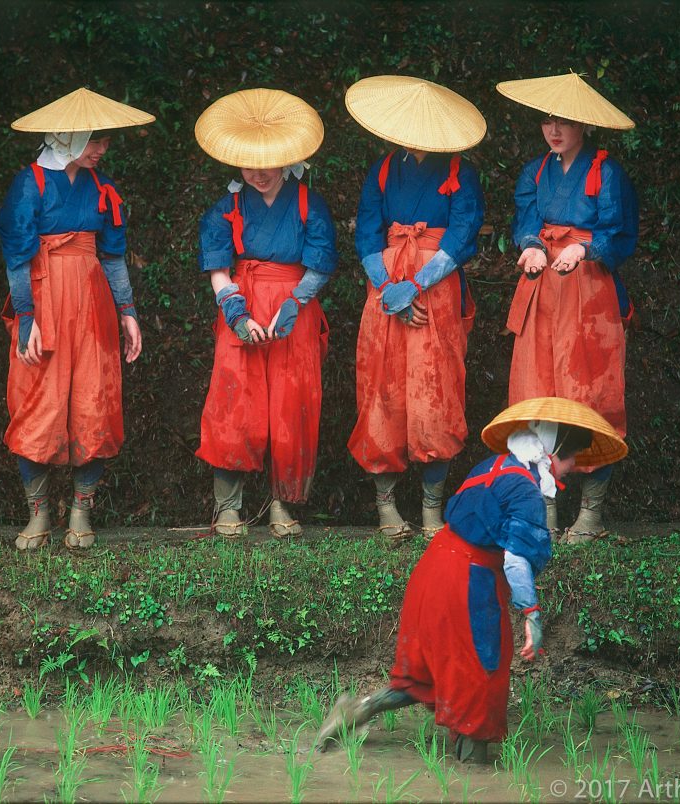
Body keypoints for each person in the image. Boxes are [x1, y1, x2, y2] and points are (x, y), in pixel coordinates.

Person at [316, 397, 627, 761]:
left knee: (433, 668)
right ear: (554, 451)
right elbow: (515, 560)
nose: (573, 468)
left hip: (432, 570)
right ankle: (473, 766)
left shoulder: (490, 466)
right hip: (466, 581)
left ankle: (358, 710)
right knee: (483, 672)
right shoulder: (526, 490)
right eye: (572, 458)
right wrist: (532, 615)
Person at [0, 88, 153, 550]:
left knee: (94, 401)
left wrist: (128, 312)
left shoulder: (102, 188)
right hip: (44, 303)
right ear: (67, 136)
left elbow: (114, 256)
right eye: (94, 140)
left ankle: (81, 513)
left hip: (92, 306)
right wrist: (26, 318)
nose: (102, 149)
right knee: (36, 405)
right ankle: (38, 517)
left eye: (104, 141)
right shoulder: (30, 184)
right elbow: (16, 259)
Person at [343, 75, 487, 546]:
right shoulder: (384, 169)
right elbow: (367, 229)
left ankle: (431, 508)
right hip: (384, 290)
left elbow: (464, 234)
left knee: (436, 392)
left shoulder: (460, 172)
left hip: (437, 291)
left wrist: (417, 285)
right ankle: (386, 506)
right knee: (381, 389)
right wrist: (389, 290)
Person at [496, 72, 639, 543]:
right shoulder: (536, 171)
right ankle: (545, 512)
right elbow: (526, 220)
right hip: (543, 292)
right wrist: (533, 245)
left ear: (584, 126)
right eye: (547, 120)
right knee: (538, 391)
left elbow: (619, 233)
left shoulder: (606, 170)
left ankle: (591, 515)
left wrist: (587, 247)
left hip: (590, 295)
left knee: (590, 393)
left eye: (565, 121)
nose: (554, 129)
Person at [193, 88, 337, 538]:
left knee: (290, 403)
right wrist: (235, 311)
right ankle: (229, 506)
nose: (257, 172)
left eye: (267, 162)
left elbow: (321, 263)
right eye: (248, 163)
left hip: (295, 308)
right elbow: (218, 268)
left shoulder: (309, 203)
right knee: (234, 401)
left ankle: (282, 504)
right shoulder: (227, 206)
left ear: (286, 158)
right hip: (243, 303)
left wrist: (296, 302)